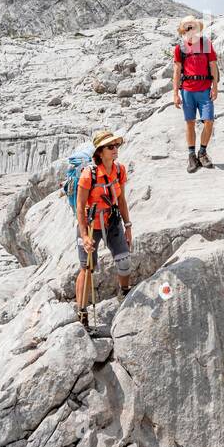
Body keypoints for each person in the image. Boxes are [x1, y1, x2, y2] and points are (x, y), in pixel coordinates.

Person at [75, 129, 133, 333]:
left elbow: (122, 200)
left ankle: (125, 294)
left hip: (112, 220)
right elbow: (80, 206)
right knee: (87, 267)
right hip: (91, 226)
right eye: (110, 147)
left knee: (124, 260)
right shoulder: (87, 175)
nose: (115, 149)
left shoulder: (119, 170)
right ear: (100, 152)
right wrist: (84, 236)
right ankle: (82, 313)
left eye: (116, 145)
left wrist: (128, 226)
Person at [172, 16, 219, 172]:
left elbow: (213, 65)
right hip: (187, 91)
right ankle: (192, 155)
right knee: (190, 122)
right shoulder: (180, 48)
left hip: (204, 90)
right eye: (187, 27)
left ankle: (203, 152)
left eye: (192, 26)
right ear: (183, 30)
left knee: (209, 121)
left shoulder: (206, 44)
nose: (190, 29)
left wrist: (215, 87)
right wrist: (175, 94)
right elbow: (177, 71)